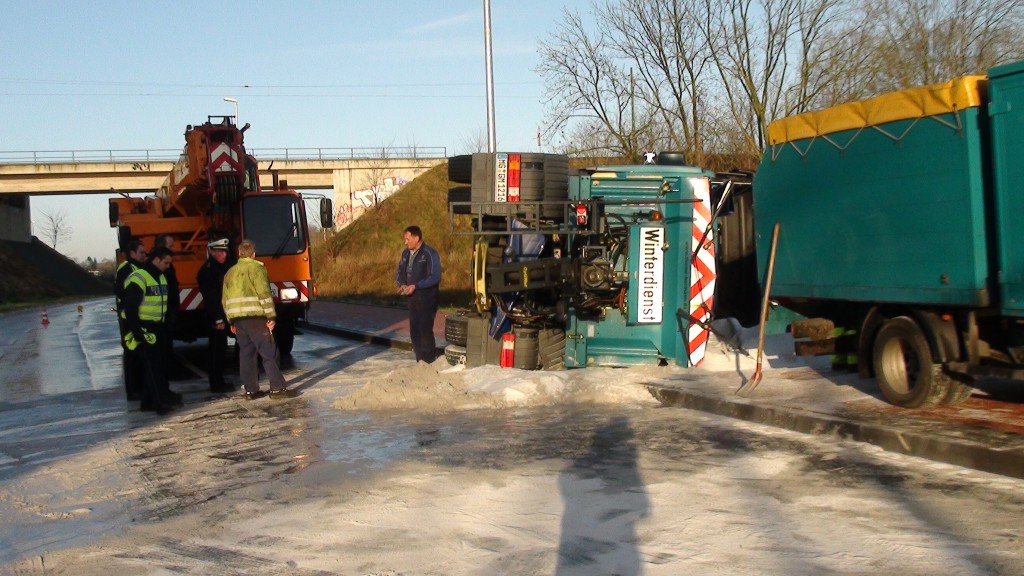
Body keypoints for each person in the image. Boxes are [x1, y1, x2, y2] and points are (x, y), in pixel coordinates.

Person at [222, 239, 295, 400]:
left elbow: (225, 300)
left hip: (238, 320)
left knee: (246, 354)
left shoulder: (230, 273)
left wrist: (231, 321)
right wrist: (270, 316)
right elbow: (264, 294)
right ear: (254, 254)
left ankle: (251, 390)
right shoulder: (257, 269)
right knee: (269, 352)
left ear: (239, 254)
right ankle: (277, 388)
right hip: (256, 318)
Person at [122, 246, 178, 414]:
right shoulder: (139, 278)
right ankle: (161, 403)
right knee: (155, 368)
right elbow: (130, 309)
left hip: (158, 326)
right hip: (145, 327)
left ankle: (147, 402)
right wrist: (137, 333)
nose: (168, 266)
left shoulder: (160, 277)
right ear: (156, 260)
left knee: (157, 365)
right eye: (166, 263)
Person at [395, 225, 442, 363]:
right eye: (405, 239)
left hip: (427, 297)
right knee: (414, 328)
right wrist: (402, 284)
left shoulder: (429, 253)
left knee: (425, 328)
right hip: (412, 297)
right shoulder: (405, 254)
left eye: (408, 239)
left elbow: (435, 277)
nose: (405, 242)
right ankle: (419, 359)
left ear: (417, 238)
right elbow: (399, 272)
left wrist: (417, 286)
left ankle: (428, 360)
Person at [197, 237, 234, 393]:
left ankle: (219, 380)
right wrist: (218, 319)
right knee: (216, 351)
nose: (223, 255)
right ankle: (216, 383)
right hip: (215, 317)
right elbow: (211, 298)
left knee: (221, 349)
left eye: (225, 252)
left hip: (223, 315)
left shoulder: (221, 268)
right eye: (220, 252)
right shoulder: (207, 271)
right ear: (211, 252)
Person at [115, 240, 147, 401]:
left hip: (136, 317)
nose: (144, 255)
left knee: (139, 355)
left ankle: (139, 388)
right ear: (132, 253)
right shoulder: (126, 269)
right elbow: (123, 292)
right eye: (141, 252)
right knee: (132, 355)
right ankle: (133, 391)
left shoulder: (139, 267)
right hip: (129, 319)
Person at [153, 234, 187, 380]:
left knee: (166, 348)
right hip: (160, 316)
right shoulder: (157, 269)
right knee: (161, 351)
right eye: (170, 245)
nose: (174, 248)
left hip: (166, 312)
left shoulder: (164, 265)